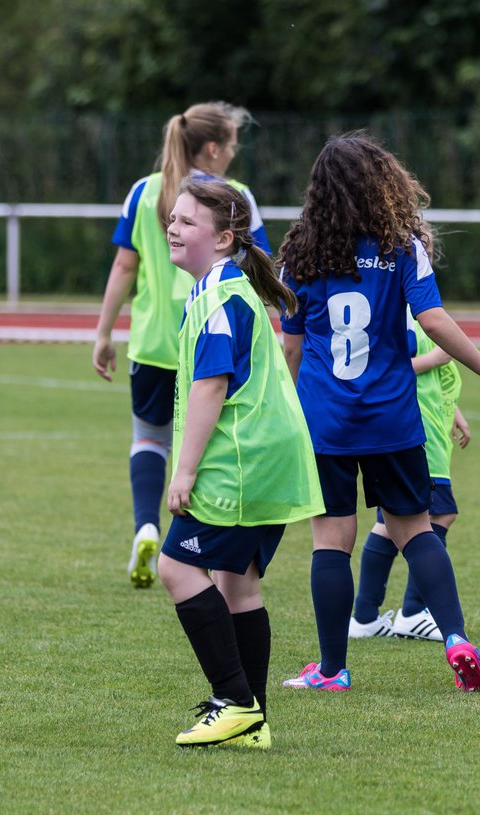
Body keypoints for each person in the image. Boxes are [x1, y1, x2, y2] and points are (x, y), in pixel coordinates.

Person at [277, 132, 480, 694]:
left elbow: (293, 350)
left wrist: (285, 415)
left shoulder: (300, 252)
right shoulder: (401, 246)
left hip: (327, 419)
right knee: (416, 531)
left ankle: (331, 670)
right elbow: (435, 320)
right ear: (383, 185)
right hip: (394, 418)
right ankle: (457, 640)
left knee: (331, 540)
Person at [158, 179, 323, 748]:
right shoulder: (222, 289)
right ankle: (253, 721)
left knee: (176, 569)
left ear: (225, 238)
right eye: (172, 219)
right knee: (238, 585)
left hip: (241, 463)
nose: (173, 228)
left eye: (186, 222)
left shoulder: (219, 296)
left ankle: (234, 700)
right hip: (268, 461)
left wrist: (184, 470)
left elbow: (211, 386)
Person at [92, 102, 271, 589]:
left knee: (150, 439)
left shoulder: (143, 190)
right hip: (214, 341)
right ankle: (206, 549)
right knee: (212, 443)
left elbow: (124, 267)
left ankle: (147, 526)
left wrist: (104, 332)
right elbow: (260, 270)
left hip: (153, 341)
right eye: (233, 144)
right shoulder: (235, 198)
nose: (235, 153)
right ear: (213, 147)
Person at [349, 315, 470, 642]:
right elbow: (391, 367)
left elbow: (434, 378)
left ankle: (365, 616)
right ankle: (414, 612)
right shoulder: (404, 311)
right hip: (417, 434)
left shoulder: (416, 311)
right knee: (439, 514)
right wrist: (434, 358)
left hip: (426, 430)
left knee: (392, 522)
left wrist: (453, 410)